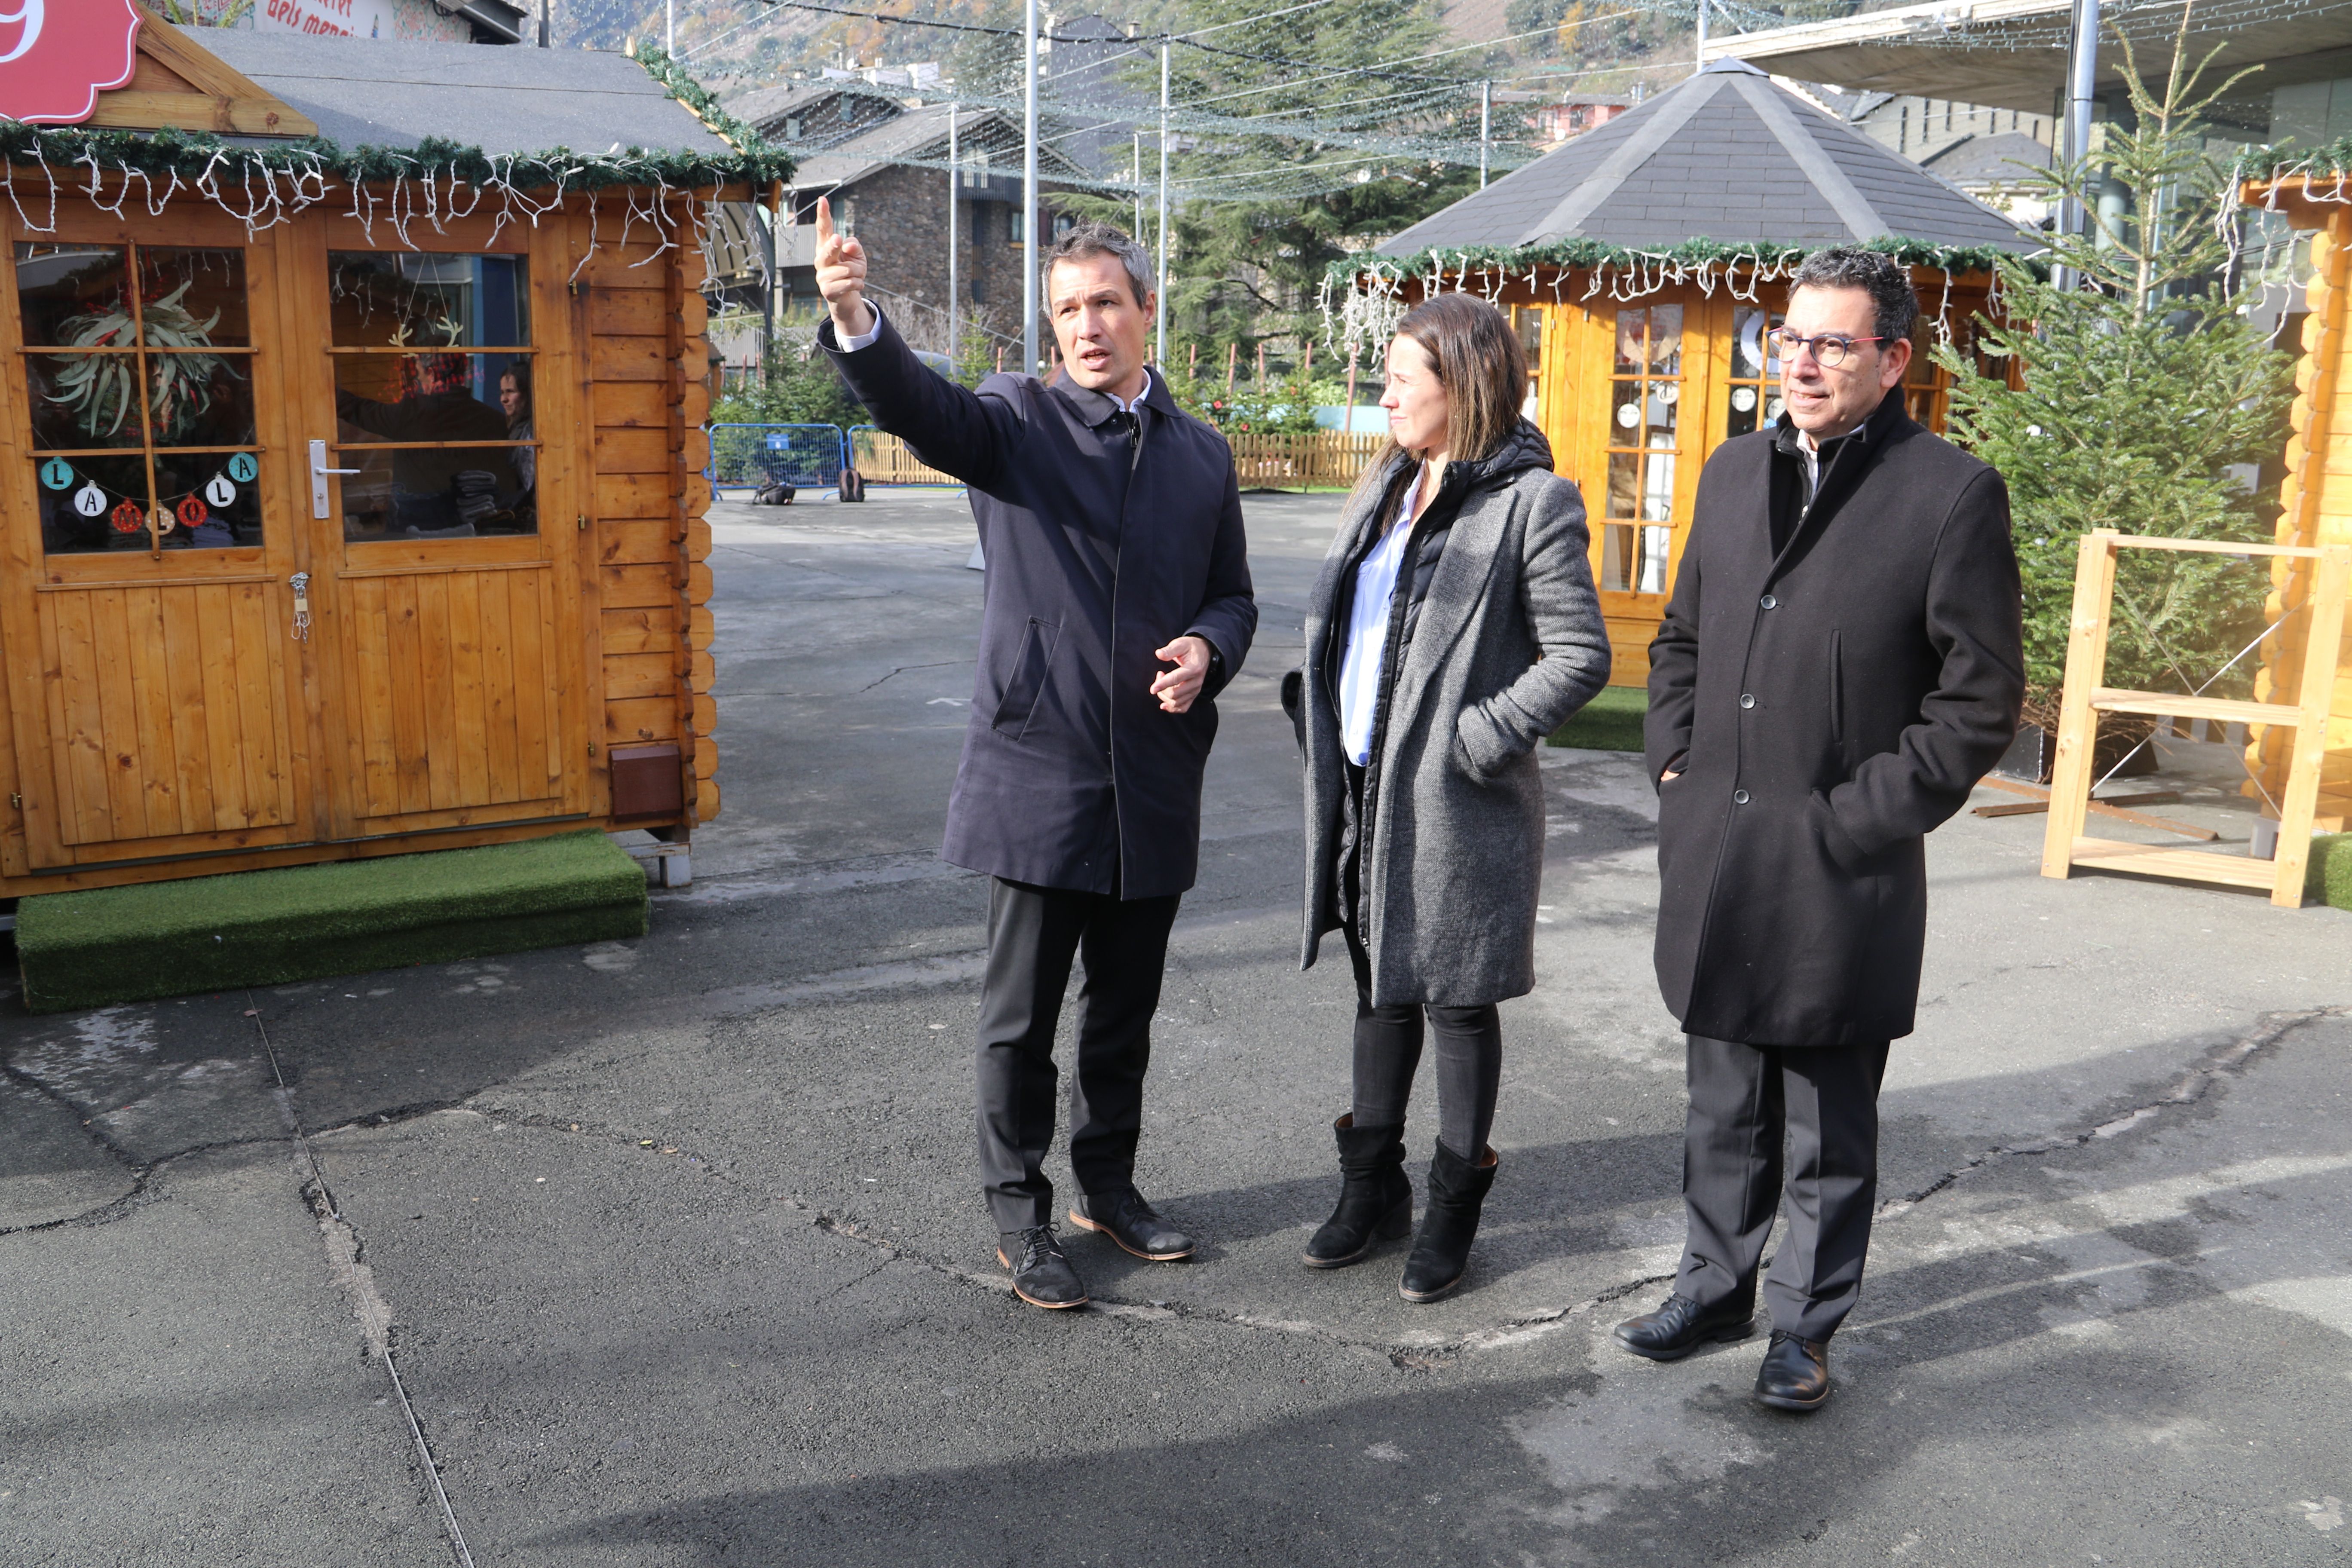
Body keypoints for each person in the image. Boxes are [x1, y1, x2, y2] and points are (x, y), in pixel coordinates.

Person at [813, 202, 1256, 1311]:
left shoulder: (1202, 454)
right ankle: (1019, 1214)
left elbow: (1235, 594)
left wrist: (1210, 646)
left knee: (1123, 1011)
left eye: (1106, 302)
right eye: (1067, 310)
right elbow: (924, 411)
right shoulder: (1017, 421)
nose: (1087, 326)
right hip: (1041, 765)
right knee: (1020, 1018)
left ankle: (1106, 1187)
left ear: (1147, 309)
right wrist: (856, 315)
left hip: (1154, 771)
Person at [1614, 248, 2024, 1409]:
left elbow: (1980, 697)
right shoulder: (1734, 471)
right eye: (1787, 339)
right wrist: (1677, 762)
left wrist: (1863, 819)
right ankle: (1713, 1283)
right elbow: (1682, 636)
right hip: (1721, 843)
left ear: (1893, 361)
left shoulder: (1948, 492)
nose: (1800, 361)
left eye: (1833, 343)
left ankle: (1805, 1325)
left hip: (1843, 864)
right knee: (1722, 1100)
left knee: (1825, 1123)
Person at [1286, 295, 1611, 1303]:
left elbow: (1579, 656)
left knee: (1458, 1004)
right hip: (1363, 788)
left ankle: (1449, 1218)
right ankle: (1368, 1193)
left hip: (1459, 803)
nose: (1382, 390)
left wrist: (1478, 735)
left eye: (1399, 374)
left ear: (1459, 385)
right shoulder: (1386, 482)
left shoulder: (1531, 502)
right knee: (1380, 992)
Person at [336, 352, 508, 536]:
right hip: (476, 533)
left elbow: (358, 410)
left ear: (432, 374)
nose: (417, 379)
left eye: (419, 373)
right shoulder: (494, 421)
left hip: (412, 533)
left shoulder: (408, 415)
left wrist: (320, 384)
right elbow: (506, 482)